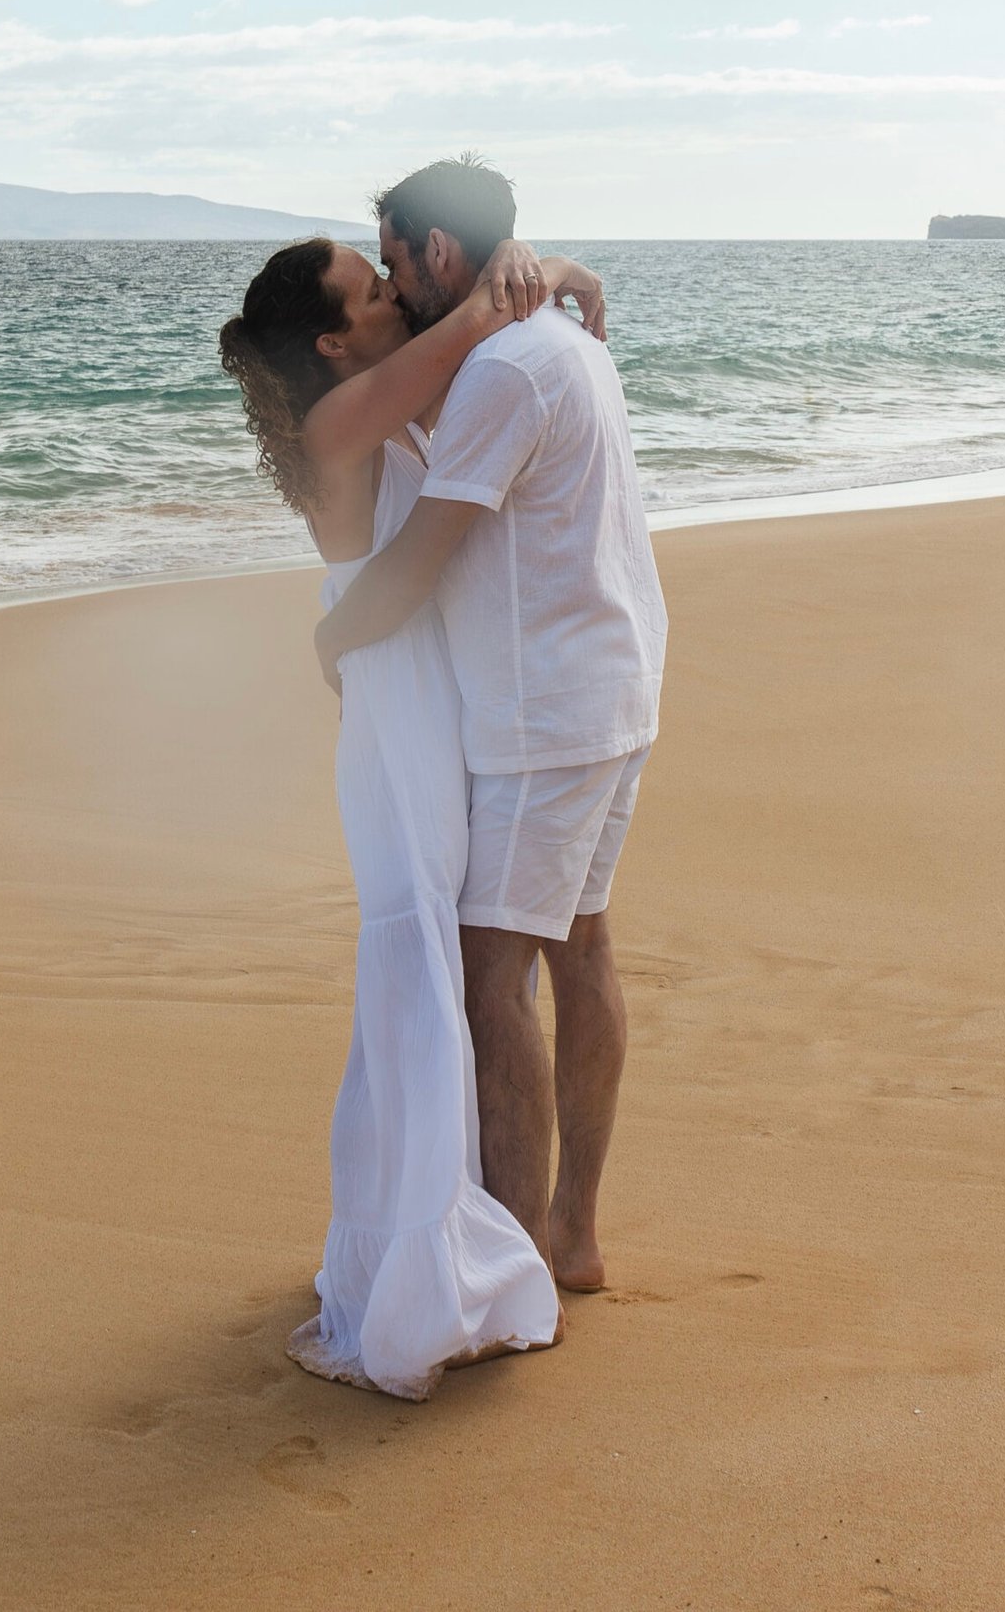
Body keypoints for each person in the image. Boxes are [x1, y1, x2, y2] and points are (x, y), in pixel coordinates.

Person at [219, 224, 605, 1399]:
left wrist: (554, 265)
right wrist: (532, 270)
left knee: (451, 956)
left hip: (430, 690)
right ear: (335, 344)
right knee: (430, 960)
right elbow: (482, 314)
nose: (393, 294)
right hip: (398, 706)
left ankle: (445, 1235)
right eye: (369, 290)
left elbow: (495, 307)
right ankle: (433, 1262)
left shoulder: (375, 402)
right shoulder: (343, 420)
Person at [315, 156, 668, 1296]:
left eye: (393, 260)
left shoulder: (504, 370)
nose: (389, 284)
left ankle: (515, 1269)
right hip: (612, 683)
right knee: (582, 947)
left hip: (543, 711)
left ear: (439, 252)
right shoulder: (554, 339)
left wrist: (331, 639)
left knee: (490, 976)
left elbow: (422, 558)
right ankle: (570, 1234)